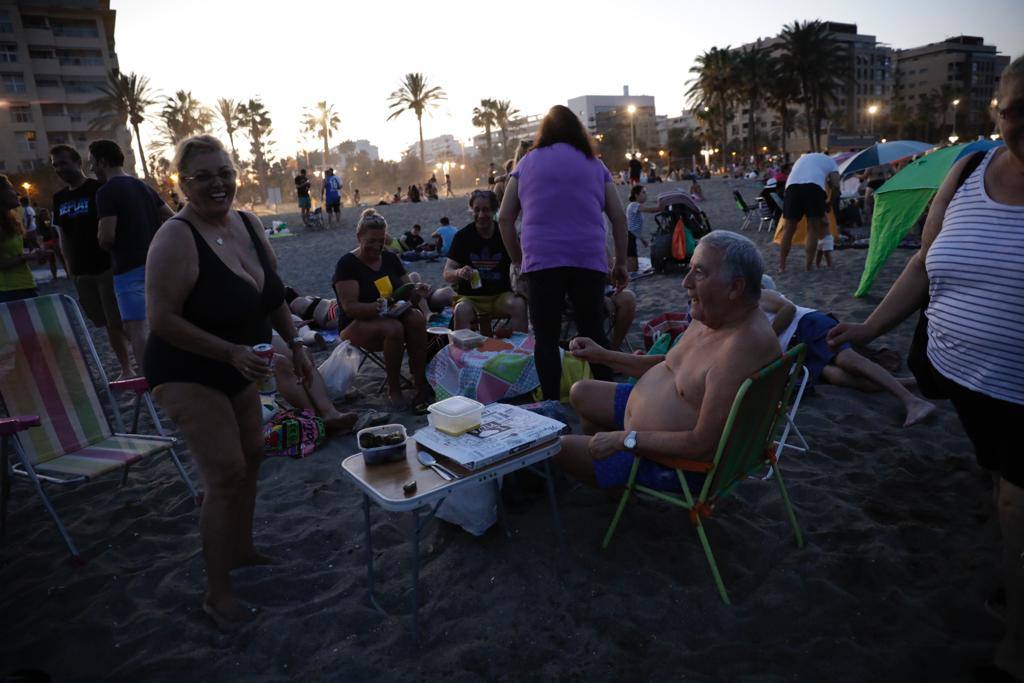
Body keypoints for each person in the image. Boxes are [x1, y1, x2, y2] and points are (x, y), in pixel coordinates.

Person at [828, 56, 1024, 680]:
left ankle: (1018, 641)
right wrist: (867, 327)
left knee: (1017, 501)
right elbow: (921, 266)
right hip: (962, 375)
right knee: (1000, 480)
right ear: (998, 109)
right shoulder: (968, 171)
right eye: (1016, 109)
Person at [144, 135, 311, 629]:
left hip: (241, 364)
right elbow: (161, 320)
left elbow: (273, 295)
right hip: (186, 369)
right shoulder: (175, 237)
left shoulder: (249, 224)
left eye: (225, 173)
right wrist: (230, 352)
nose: (218, 184)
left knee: (253, 458)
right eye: (203, 176)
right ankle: (217, 595)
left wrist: (296, 343)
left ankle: (241, 550)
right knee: (225, 475)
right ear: (181, 183)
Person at [556, 232, 780, 491]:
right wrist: (603, 355)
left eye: (699, 272)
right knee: (581, 392)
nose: (686, 282)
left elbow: (702, 445)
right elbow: (671, 364)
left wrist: (626, 439)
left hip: (675, 465)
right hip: (643, 433)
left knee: (558, 448)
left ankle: (619, 478)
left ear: (736, 287)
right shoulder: (713, 315)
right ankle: (614, 483)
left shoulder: (740, 349)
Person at [497, 104, 629, 400]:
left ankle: (552, 405)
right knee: (593, 330)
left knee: (545, 337)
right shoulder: (595, 164)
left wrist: (519, 260)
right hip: (588, 258)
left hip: (542, 261)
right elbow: (619, 216)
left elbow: (504, 218)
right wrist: (621, 261)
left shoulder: (527, 163)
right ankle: (609, 397)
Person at [759, 286, 933, 427]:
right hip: (794, 352)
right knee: (839, 378)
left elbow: (788, 308)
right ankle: (911, 382)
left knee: (848, 361)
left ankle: (912, 401)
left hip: (806, 325)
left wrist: (769, 338)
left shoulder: (757, 295)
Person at [332, 209, 434, 412]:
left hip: (390, 315)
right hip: (355, 324)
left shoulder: (390, 259)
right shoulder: (348, 264)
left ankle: (419, 380)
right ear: (359, 237)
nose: (377, 246)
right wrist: (376, 307)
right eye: (371, 240)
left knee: (416, 318)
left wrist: (417, 293)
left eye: (381, 241)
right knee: (393, 328)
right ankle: (393, 389)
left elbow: (408, 296)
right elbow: (349, 307)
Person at [91, 139, 174, 374]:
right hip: (156, 265)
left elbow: (107, 237)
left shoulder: (106, 191)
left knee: (137, 329)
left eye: (92, 163)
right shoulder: (143, 186)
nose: (91, 170)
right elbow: (171, 217)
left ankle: (151, 378)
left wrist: (99, 235)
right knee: (164, 322)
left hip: (128, 269)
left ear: (103, 162)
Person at [50, 144, 133, 377]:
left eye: (63, 163)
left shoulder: (98, 189)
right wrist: (70, 269)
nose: (59, 168)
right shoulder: (59, 198)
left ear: (78, 162)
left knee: (117, 321)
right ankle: (126, 368)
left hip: (107, 266)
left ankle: (147, 354)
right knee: (106, 323)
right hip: (81, 272)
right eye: (55, 165)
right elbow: (63, 236)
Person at [444, 189, 527, 334]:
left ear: (495, 210)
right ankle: (464, 353)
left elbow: (521, 262)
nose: (481, 215)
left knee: (519, 304)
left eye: (486, 210)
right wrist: (459, 272)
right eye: (477, 210)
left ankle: (518, 351)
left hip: (500, 296)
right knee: (461, 310)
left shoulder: (505, 234)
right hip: (470, 298)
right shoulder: (462, 237)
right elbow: (447, 273)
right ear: (471, 210)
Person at [776, 152, 840, 272]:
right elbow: (836, 185)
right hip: (814, 188)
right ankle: (808, 267)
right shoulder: (832, 162)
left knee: (788, 229)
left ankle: (782, 266)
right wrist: (830, 204)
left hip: (791, 187)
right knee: (813, 228)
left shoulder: (802, 159)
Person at [0, 175, 41, 302]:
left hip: (25, 285)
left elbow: (12, 254)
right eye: (11, 189)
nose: (17, 193)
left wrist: (33, 254)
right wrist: (25, 257)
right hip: (8, 291)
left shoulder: (11, 219)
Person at [625, 186, 656, 272]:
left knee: (634, 266)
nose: (646, 195)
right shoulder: (634, 205)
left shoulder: (635, 206)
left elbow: (634, 226)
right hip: (629, 236)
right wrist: (661, 207)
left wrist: (643, 240)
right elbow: (650, 210)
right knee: (632, 268)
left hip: (631, 236)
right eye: (643, 192)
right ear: (636, 195)